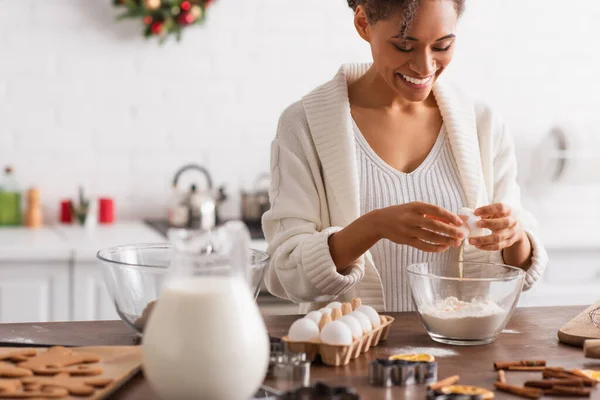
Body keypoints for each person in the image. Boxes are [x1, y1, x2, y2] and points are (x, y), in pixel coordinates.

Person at [262, 0, 548, 313]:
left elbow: (520, 270)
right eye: (403, 46)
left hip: (464, 355)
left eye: (442, 46)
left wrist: (514, 236)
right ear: (363, 24)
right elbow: (284, 274)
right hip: (349, 358)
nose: (425, 67)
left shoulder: (482, 123)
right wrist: (372, 227)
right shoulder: (304, 125)